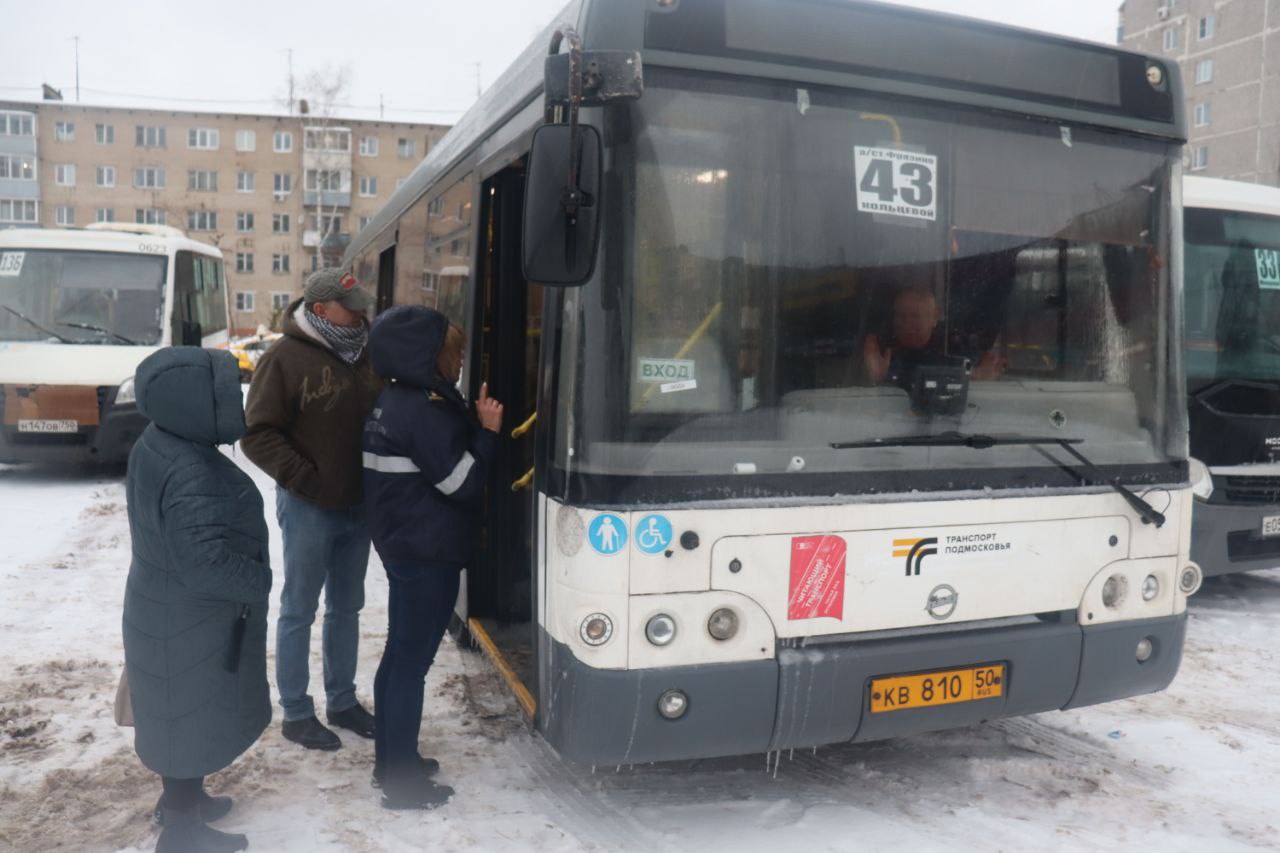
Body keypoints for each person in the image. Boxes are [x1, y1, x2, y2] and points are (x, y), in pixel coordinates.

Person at [122, 347, 271, 852]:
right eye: (221, 393)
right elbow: (203, 562)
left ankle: (183, 802)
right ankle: (182, 836)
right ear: (191, 400)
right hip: (189, 618)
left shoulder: (159, 440)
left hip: (166, 607)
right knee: (186, 713)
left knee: (179, 713)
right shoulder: (190, 471)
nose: (233, 402)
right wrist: (259, 581)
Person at [361, 306, 504, 810]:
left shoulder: (397, 399)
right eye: (457, 352)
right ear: (433, 355)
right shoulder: (422, 409)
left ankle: (392, 760)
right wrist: (486, 432)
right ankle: (401, 783)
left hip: (406, 545)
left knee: (399, 657)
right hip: (427, 551)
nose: (462, 362)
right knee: (409, 665)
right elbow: (461, 484)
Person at [241, 269, 382, 750]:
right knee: (299, 608)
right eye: (351, 306)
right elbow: (257, 433)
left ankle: (342, 702)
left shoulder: (367, 354)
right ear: (321, 310)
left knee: (347, 607)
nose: (361, 312)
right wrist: (303, 478)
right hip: (309, 507)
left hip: (360, 505)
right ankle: (296, 712)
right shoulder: (284, 357)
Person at [862, 286, 1005, 385]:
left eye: (915, 316)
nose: (906, 324)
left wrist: (979, 375)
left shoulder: (954, 344)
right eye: (900, 316)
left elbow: (990, 369)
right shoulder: (881, 348)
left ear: (935, 317)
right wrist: (875, 378)